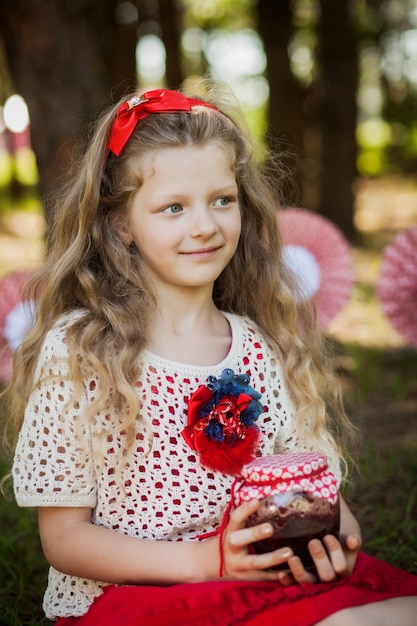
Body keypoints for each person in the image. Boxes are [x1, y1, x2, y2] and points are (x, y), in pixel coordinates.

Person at [3, 82, 417, 626]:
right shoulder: (82, 351)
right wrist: (205, 560)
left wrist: (341, 532)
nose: (205, 225)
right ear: (122, 223)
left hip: (261, 572)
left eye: (222, 200)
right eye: (173, 207)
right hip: (140, 595)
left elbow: (309, 485)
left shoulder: (261, 347)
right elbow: (64, 540)